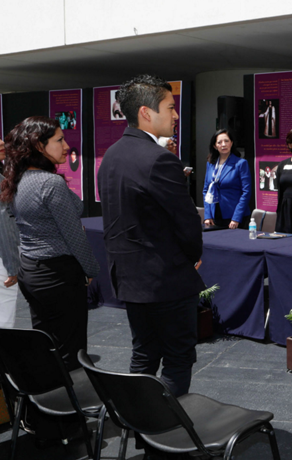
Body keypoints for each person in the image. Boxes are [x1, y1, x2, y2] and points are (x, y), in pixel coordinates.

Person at [97, 75, 204, 397]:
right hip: (164, 279)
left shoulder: (111, 156)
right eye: (170, 108)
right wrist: (190, 257)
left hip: (129, 278)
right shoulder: (159, 159)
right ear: (146, 112)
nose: (175, 115)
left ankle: (141, 426)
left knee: (143, 355)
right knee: (177, 357)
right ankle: (166, 438)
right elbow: (186, 223)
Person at [0, 117, 99, 369]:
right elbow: (74, 235)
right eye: (59, 140)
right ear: (39, 146)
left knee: (47, 345)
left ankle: (46, 402)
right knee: (72, 353)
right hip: (59, 274)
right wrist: (90, 270)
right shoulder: (49, 183)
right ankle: (72, 404)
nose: (66, 146)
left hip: (32, 272)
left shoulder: (18, 179)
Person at [202, 129, 252, 229]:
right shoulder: (211, 164)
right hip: (215, 215)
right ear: (215, 146)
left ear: (231, 143)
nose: (223, 145)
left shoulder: (240, 163)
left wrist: (236, 218)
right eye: (219, 142)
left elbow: (246, 192)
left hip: (234, 215)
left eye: (226, 141)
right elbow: (206, 191)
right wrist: (207, 215)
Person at [0, 137, 21, 328]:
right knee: (4, 318)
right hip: (1, 261)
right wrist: (12, 267)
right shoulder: (1, 184)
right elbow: (4, 226)